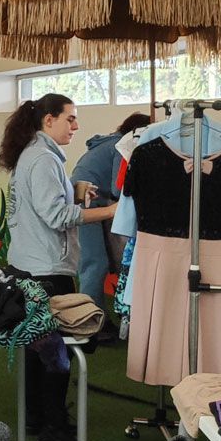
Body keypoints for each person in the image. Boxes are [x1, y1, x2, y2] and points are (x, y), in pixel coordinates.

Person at [1, 93, 118, 441]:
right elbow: (55, 216)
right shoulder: (43, 159)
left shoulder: (35, 155)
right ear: (48, 120)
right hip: (46, 272)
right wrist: (111, 211)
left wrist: (74, 189)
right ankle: (55, 429)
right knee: (57, 353)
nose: (76, 126)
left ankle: (38, 417)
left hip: (28, 266)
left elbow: (44, 204)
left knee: (38, 349)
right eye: (70, 118)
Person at [72, 112, 151, 335]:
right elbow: (119, 187)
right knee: (94, 264)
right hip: (87, 201)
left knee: (95, 263)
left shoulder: (108, 142)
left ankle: (96, 318)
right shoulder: (121, 145)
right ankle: (90, 323)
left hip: (87, 198)